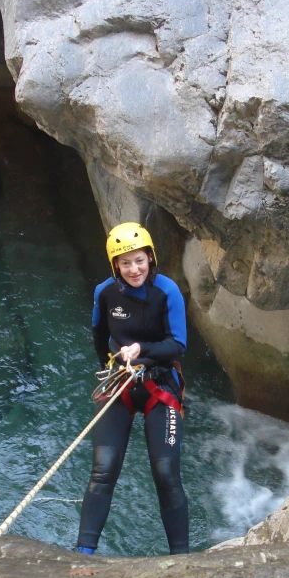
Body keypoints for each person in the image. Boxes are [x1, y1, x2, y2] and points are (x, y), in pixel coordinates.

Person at [77, 222, 189, 555]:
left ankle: (181, 559)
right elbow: (99, 336)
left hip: (160, 382)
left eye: (139, 260)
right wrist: (110, 367)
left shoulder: (166, 291)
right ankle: (82, 554)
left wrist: (142, 351)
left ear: (150, 258)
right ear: (115, 266)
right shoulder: (105, 293)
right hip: (120, 381)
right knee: (103, 468)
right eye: (125, 263)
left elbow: (178, 344)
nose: (134, 269)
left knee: (166, 472)